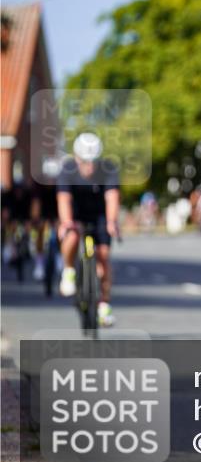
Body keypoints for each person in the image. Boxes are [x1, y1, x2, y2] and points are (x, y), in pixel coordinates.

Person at [57, 132, 121, 327]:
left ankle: (104, 305)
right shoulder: (67, 170)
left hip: (99, 215)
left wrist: (111, 222)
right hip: (76, 214)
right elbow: (64, 199)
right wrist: (66, 222)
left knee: (103, 256)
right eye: (85, 161)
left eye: (93, 161)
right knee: (72, 236)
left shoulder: (108, 169)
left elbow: (112, 197)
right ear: (76, 158)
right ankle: (68, 270)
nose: (89, 166)